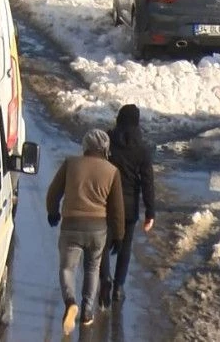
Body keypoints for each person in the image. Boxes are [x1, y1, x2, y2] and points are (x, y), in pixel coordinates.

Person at [47, 128, 124, 334]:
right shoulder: (112, 171)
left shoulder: (71, 163)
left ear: (85, 146)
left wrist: (53, 212)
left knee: (67, 268)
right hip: (97, 229)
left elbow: (53, 192)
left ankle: (70, 302)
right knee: (92, 269)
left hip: (71, 225)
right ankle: (88, 312)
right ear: (105, 148)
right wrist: (119, 235)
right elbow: (117, 208)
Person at [100, 104, 156, 306]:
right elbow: (147, 182)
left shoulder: (107, 142)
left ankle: (104, 279)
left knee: (103, 245)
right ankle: (118, 287)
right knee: (125, 247)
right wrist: (150, 212)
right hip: (129, 207)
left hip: (106, 202)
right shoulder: (142, 149)